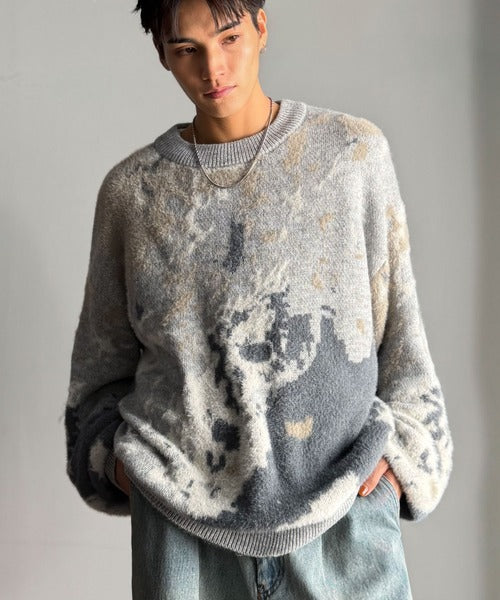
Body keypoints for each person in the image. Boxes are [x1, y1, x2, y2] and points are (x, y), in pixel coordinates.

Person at [64, 0, 454, 598]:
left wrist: (401, 465)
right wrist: (127, 470)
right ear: (162, 54)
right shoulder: (132, 194)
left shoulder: (351, 156)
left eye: (229, 38)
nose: (213, 69)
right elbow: (98, 377)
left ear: (262, 26)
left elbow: (402, 338)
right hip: (182, 538)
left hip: (343, 523)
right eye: (186, 49)